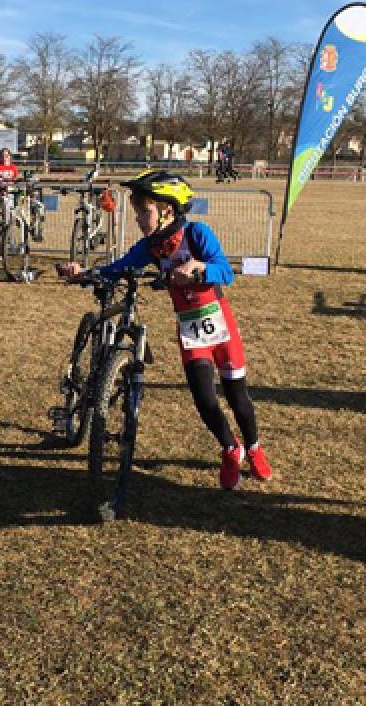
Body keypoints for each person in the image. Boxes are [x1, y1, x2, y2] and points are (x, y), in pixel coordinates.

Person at [61, 169, 270, 490]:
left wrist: (198, 269)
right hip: (190, 329)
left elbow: (226, 272)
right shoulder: (151, 247)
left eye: (144, 212)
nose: (140, 219)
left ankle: (254, 447)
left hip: (220, 323)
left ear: (167, 210)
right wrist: (86, 272)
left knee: (236, 395)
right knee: (204, 398)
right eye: (137, 212)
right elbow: (120, 268)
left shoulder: (196, 234)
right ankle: (231, 448)